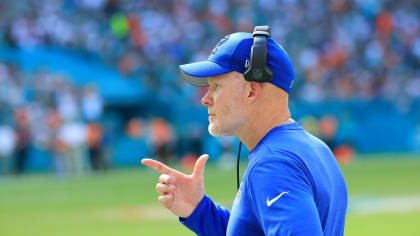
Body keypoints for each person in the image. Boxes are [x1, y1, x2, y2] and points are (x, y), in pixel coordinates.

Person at [141, 27, 348, 236]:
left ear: (251, 91)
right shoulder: (313, 147)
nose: (205, 98)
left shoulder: (273, 164)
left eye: (216, 86)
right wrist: (199, 210)